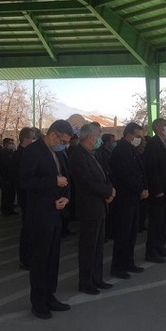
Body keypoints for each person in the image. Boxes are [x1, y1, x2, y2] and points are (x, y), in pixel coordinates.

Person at [20, 120, 73, 319]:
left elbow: (67, 178)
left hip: (56, 212)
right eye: (63, 141)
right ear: (53, 135)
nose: (64, 145)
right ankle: (38, 302)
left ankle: (50, 296)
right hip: (40, 214)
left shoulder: (58, 152)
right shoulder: (33, 151)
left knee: (53, 258)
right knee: (40, 259)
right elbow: (26, 181)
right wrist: (53, 180)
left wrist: (66, 197)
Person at [69, 123, 115, 295]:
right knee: (88, 247)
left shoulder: (90, 153)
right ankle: (86, 281)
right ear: (90, 137)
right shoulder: (78, 156)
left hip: (99, 206)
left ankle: (97, 278)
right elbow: (87, 182)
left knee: (98, 246)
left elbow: (102, 176)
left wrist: (109, 190)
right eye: (98, 135)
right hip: (89, 208)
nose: (99, 139)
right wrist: (108, 192)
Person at [109, 122, 147, 279]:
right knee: (123, 234)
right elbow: (125, 176)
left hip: (133, 198)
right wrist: (140, 190)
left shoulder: (131, 150)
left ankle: (128, 262)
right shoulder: (120, 151)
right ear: (129, 134)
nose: (140, 139)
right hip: (124, 199)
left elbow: (139, 172)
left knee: (131, 233)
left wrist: (143, 188)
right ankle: (118, 266)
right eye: (138, 136)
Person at [143, 118, 166, 264]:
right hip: (160, 190)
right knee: (156, 222)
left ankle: (160, 246)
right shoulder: (153, 144)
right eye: (164, 125)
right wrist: (157, 188)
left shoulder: (165, 143)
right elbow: (152, 168)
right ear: (157, 128)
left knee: (165, 221)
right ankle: (151, 251)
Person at [13, 127, 36, 269]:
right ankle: (25, 259)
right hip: (26, 196)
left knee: (32, 228)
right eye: (33, 138)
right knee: (27, 228)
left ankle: (30, 256)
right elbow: (20, 179)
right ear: (26, 139)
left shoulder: (29, 153)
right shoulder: (19, 155)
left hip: (31, 197)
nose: (34, 141)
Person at [0, 137, 17, 217]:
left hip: (12, 177)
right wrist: (3, 178)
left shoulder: (12, 153)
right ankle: (5, 210)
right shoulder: (1, 154)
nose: (12, 145)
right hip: (5, 178)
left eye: (12, 143)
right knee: (5, 195)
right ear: (5, 144)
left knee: (11, 194)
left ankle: (10, 208)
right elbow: (1, 167)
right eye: (10, 143)